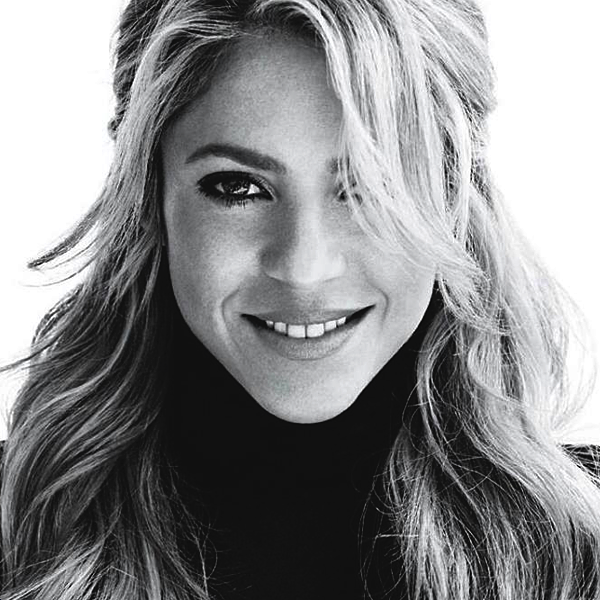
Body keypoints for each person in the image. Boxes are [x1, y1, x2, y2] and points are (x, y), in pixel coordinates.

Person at [1, 0, 600, 598]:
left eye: (373, 187)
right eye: (238, 187)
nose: (304, 268)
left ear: (455, 198)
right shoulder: (19, 528)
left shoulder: (582, 547)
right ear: (149, 196)